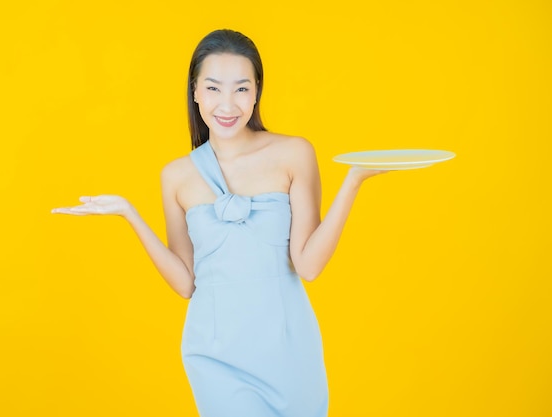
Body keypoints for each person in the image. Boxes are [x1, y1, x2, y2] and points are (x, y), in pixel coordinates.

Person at [52, 29, 385, 417]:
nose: (227, 104)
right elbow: (185, 282)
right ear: (195, 91)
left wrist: (354, 180)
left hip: (288, 348)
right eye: (213, 88)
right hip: (215, 351)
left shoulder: (294, 153)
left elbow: (309, 265)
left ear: (257, 91)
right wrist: (130, 214)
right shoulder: (176, 176)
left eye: (241, 89)